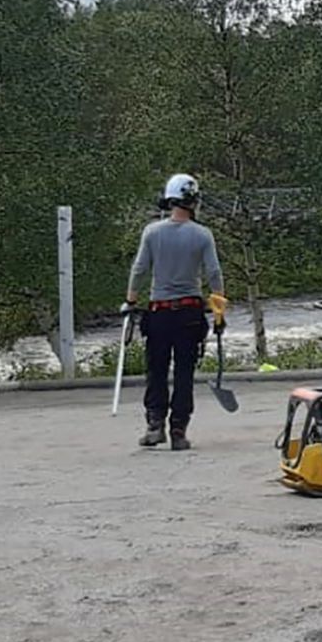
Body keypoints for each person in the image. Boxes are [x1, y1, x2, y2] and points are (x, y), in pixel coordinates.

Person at [124, 173, 228, 450]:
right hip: (189, 314)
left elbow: (139, 269)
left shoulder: (152, 232)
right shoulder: (202, 235)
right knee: (184, 372)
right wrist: (219, 309)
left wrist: (131, 301)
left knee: (156, 370)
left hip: (159, 312)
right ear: (193, 201)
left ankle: (155, 425)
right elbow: (214, 274)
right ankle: (179, 430)